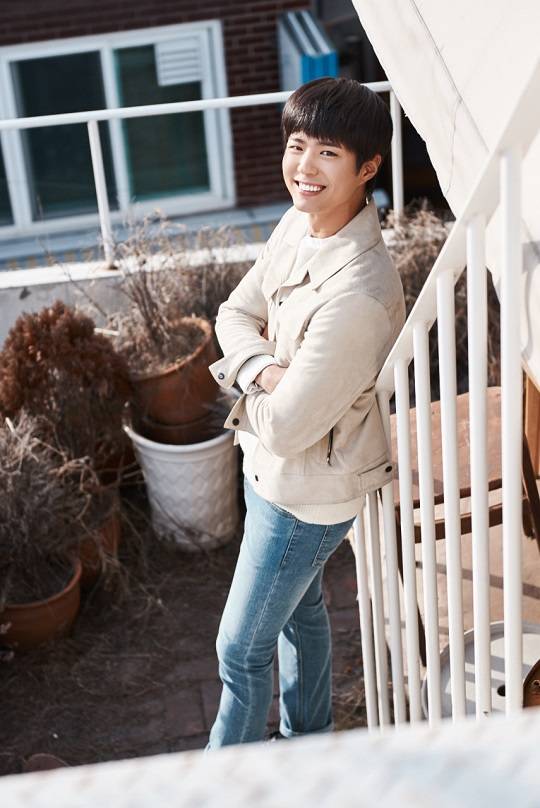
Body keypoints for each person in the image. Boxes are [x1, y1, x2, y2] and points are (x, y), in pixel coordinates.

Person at [205, 77, 405, 749]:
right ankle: (310, 741)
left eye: (328, 152)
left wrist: (247, 375)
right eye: (297, 145)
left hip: (302, 497)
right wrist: (266, 372)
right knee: (301, 611)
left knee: (239, 649)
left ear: (368, 168)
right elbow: (233, 313)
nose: (304, 166)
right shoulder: (299, 222)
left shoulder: (359, 294)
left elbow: (290, 429)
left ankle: (221, 781)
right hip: (266, 469)